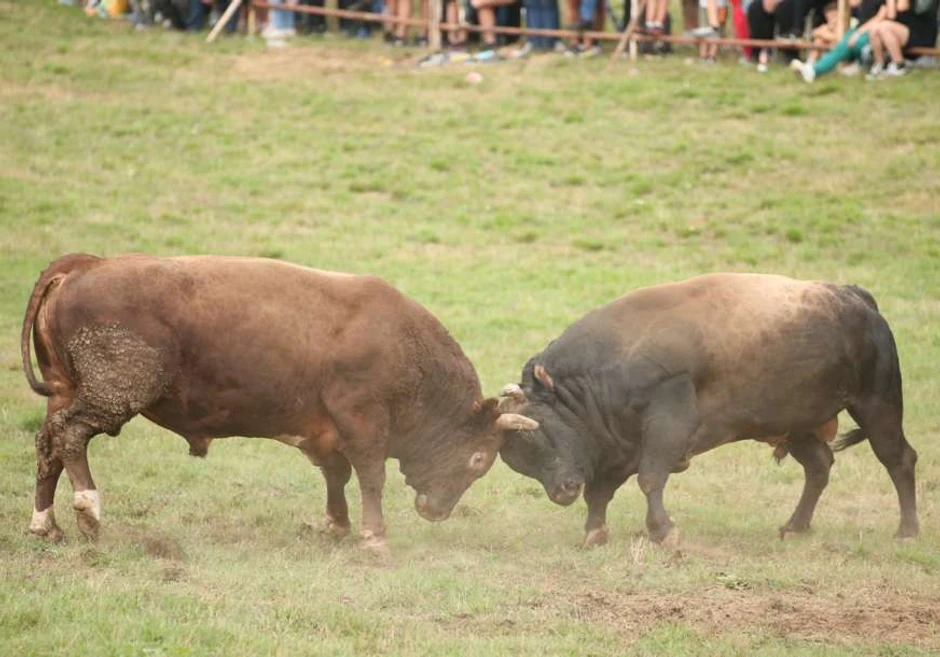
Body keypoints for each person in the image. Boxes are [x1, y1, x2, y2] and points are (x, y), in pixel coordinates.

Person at [790, 0, 885, 81]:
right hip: (858, 30)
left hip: (870, 31)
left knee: (845, 44)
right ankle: (812, 67)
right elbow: (853, 3)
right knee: (838, 42)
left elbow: (882, 16)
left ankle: (814, 70)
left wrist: (858, 32)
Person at [866, 0, 938, 77]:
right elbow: (888, 14)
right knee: (875, 28)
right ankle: (879, 64)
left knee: (884, 27)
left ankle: (899, 65)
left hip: (920, 31)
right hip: (903, 32)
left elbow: (897, 10)